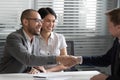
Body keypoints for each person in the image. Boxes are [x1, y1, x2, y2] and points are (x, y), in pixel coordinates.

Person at [0, 9, 80, 73]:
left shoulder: (35, 39)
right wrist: (58, 58)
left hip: (25, 76)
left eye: (41, 21)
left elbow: (34, 62)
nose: (40, 24)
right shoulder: (14, 38)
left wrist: (35, 69)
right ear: (25, 22)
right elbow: (28, 59)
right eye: (37, 21)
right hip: (9, 77)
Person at [78, 8, 120, 80]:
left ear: (119, 27)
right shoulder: (117, 40)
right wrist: (78, 60)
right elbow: (105, 60)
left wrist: (106, 78)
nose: (108, 28)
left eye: (109, 25)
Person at [28, 7, 68, 74]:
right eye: (48, 21)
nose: (51, 24)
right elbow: (29, 60)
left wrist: (47, 71)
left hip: (58, 75)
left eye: (53, 21)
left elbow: (65, 63)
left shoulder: (60, 38)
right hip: (38, 74)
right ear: (40, 21)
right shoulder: (33, 38)